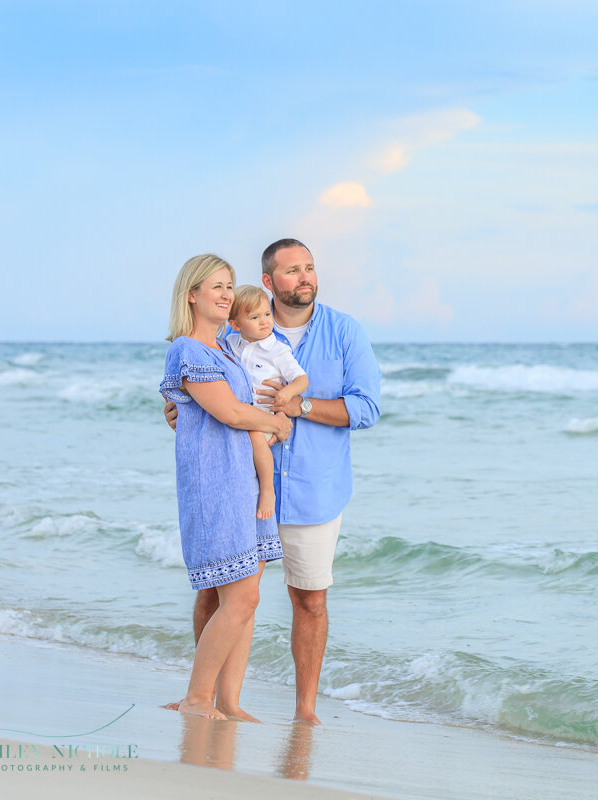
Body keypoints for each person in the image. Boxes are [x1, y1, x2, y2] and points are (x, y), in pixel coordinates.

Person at [165, 239, 381, 724]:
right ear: (268, 282)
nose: (304, 278)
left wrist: (297, 407)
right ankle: (208, 699)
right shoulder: (233, 332)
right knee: (220, 593)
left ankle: (304, 712)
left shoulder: (344, 332)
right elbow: (208, 391)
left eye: (309, 268)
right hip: (239, 484)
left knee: (308, 598)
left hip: (312, 489)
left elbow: (367, 409)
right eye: (291, 271)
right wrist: (181, 408)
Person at [159, 254, 293, 721]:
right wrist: (274, 422)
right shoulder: (187, 350)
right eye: (215, 285)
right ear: (191, 294)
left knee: (244, 595)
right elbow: (230, 413)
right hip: (214, 482)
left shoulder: (228, 350)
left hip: (245, 480)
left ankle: (228, 702)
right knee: (241, 596)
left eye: (230, 285)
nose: (225, 293)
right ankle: (198, 698)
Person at [225, 285, 308, 521]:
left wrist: (286, 394)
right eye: (254, 317)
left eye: (266, 314)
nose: (264, 322)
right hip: (238, 414)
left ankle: (268, 491)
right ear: (236, 324)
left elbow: (302, 379)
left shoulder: (277, 350)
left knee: (255, 438)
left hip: (262, 416)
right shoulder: (231, 344)